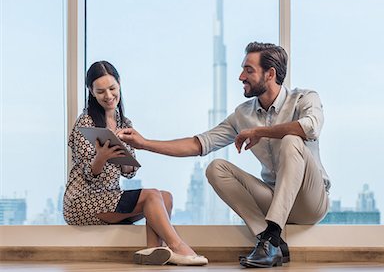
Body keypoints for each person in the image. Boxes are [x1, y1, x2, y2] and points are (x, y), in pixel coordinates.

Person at [117, 42, 331, 268]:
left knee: (291, 140)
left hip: (310, 201)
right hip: (273, 198)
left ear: (270, 74)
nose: (241, 76)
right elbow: (198, 144)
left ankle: (272, 235)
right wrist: (144, 143)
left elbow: (310, 128)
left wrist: (259, 132)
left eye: (249, 70)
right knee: (216, 167)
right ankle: (269, 240)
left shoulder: (305, 98)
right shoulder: (243, 114)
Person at [63, 60, 208, 266]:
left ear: (119, 84)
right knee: (151, 195)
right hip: (82, 201)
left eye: (112, 88)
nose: (109, 96)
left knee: (165, 197)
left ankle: (152, 251)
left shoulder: (124, 123)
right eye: (101, 91)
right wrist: (102, 157)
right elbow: (89, 175)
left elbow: (129, 173)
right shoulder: (85, 123)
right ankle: (177, 246)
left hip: (108, 196)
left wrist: (124, 154)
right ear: (91, 92)